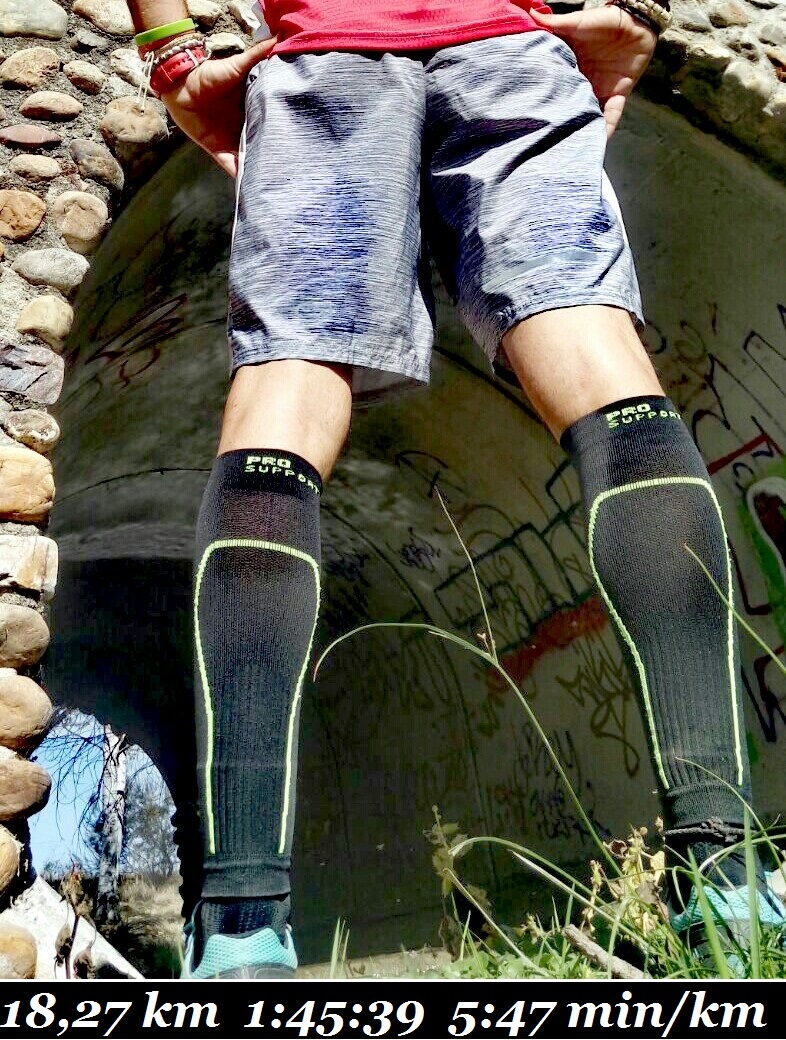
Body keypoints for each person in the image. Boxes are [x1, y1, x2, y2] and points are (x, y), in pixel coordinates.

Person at [126, 0, 785, 979]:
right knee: (606, 377)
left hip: (332, 53)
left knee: (284, 399)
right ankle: (730, 882)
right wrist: (622, 12)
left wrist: (173, 55)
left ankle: (240, 927)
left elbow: (174, 44)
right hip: (508, 49)